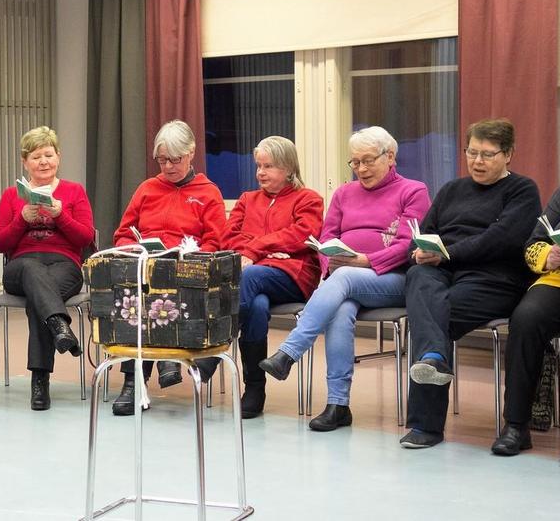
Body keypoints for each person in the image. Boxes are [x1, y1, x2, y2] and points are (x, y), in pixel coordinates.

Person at [259, 126, 430, 431]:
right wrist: (330, 262)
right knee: (340, 307)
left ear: (390, 156)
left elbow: (409, 245)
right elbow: (326, 238)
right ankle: (338, 405)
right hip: (345, 282)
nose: (361, 169)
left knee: (346, 277)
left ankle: (290, 351)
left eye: (368, 161)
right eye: (355, 162)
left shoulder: (413, 191)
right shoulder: (343, 193)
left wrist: (364, 261)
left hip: (393, 280)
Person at [401, 118, 541, 448]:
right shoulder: (451, 190)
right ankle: (433, 357)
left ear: (508, 154)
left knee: (431, 315)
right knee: (417, 275)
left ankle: (426, 425)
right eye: (471, 152)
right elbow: (422, 233)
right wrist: (418, 252)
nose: (477, 161)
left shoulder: (522, 190)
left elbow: (501, 239)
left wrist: (446, 254)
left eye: (487, 154)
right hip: (442, 271)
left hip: (494, 278)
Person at [110, 119, 227, 416]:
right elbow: (123, 233)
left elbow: (215, 242)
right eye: (162, 160)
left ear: (191, 153)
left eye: (175, 159)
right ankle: (137, 379)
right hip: (145, 267)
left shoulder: (208, 192)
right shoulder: (147, 189)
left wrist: (190, 256)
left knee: (158, 289)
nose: (168, 166)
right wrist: (133, 247)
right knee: (135, 293)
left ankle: (151, 371)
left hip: (186, 272)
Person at [209, 136, 324, 419]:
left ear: (288, 168)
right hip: (255, 277)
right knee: (256, 305)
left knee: (250, 275)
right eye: (258, 166)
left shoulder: (308, 199)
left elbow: (302, 234)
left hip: (294, 276)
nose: (260, 172)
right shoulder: (247, 200)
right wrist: (267, 251)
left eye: (268, 166)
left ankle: (214, 348)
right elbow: (227, 238)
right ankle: (255, 388)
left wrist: (256, 249)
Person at [0, 126, 95, 410]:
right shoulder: (11, 195)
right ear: (25, 162)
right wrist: (22, 219)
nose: (43, 162)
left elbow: (85, 238)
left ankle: (40, 380)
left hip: (64, 265)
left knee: (40, 298)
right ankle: (59, 324)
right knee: (32, 271)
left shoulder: (74, 191)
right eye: (36, 157)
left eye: (48, 155)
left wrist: (61, 215)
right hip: (20, 268)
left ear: (58, 157)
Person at [491, 180, 560, 466]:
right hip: (559, 280)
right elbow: (533, 244)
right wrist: (548, 256)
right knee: (525, 319)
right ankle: (516, 425)